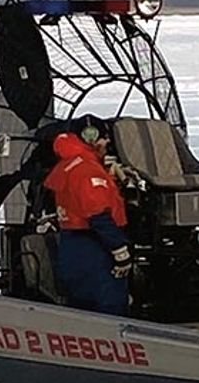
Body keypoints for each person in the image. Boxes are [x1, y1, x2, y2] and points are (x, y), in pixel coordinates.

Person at [43, 116, 132, 316]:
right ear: (90, 137)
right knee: (109, 311)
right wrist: (119, 250)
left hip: (73, 248)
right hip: (94, 249)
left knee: (82, 314)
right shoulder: (88, 170)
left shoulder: (69, 165)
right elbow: (97, 213)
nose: (107, 143)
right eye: (104, 137)